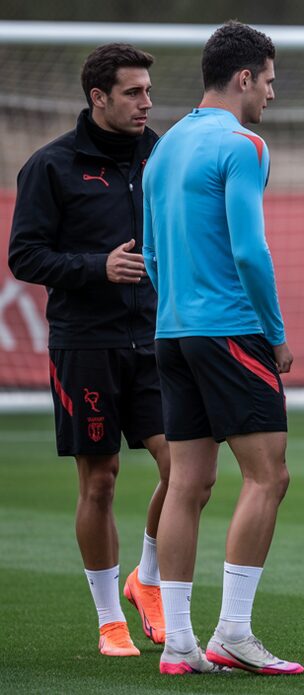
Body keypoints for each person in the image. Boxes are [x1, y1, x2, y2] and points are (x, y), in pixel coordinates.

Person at [142, 21, 300, 676]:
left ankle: (178, 642)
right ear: (243, 78)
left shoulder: (164, 147)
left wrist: (183, 307)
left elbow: (151, 255)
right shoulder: (243, 145)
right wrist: (275, 329)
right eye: (267, 80)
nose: (269, 93)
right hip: (231, 329)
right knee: (269, 475)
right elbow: (248, 249)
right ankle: (232, 630)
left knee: (188, 481)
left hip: (173, 331)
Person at [8, 42, 169, 659]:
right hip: (86, 345)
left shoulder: (162, 157)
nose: (146, 103)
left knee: (184, 472)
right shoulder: (51, 166)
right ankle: (109, 621)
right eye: (132, 92)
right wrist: (96, 267)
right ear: (98, 97)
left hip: (159, 340)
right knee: (99, 481)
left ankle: (146, 582)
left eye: (148, 91)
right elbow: (25, 256)